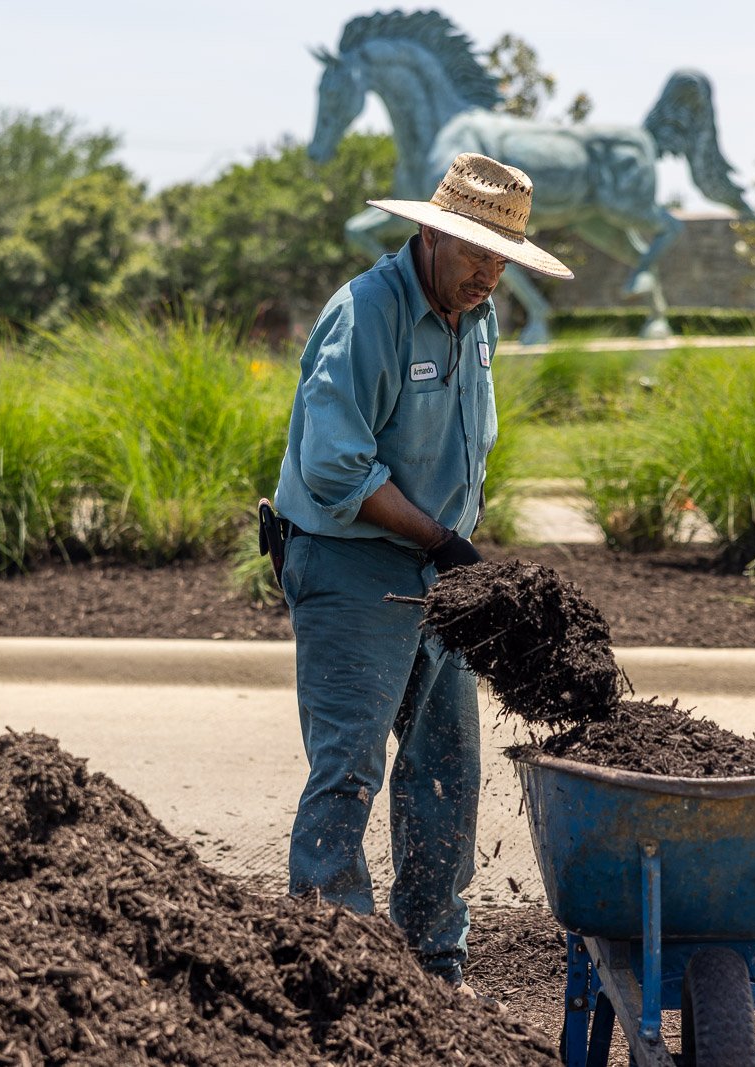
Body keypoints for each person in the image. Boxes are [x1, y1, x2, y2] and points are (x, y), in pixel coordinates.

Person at [269, 153, 573, 994]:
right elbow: (335, 467)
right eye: (475, 251)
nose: (490, 272)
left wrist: (457, 544)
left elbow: (460, 445)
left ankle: (433, 964)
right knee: (349, 766)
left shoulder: (478, 319)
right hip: (350, 564)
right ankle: (335, 965)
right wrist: (440, 537)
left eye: (503, 257)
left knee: (447, 766)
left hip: (438, 572)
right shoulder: (366, 313)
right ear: (432, 232)